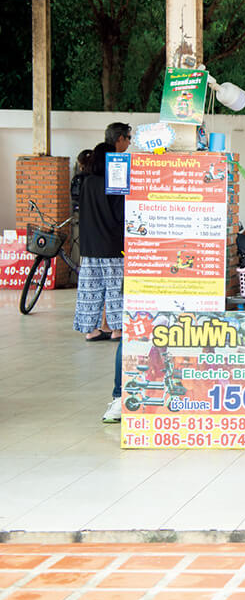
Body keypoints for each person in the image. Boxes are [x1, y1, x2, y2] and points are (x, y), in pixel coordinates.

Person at [75, 142, 126, 422]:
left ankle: (91, 330)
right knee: (116, 292)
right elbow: (120, 216)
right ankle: (117, 329)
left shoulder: (85, 182)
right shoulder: (113, 183)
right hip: (112, 247)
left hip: (89, 247)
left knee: (90, 291)